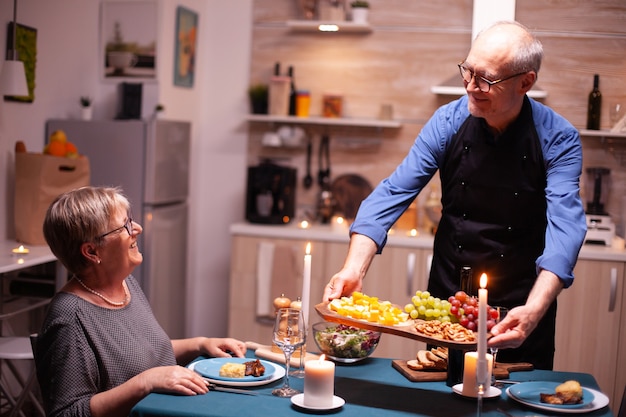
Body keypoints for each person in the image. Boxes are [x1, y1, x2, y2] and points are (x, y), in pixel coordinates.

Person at [322, 21, 587, 370]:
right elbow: (392, 193)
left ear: (526, 82)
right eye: (468, 70)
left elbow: (565, 229)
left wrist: (535, 309)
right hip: (446, 301)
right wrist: (353, 268)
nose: (470, 86)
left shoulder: (558, 139)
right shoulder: (447, 122)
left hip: (520, 306)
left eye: (486, 79)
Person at [36, 186, 247, 417]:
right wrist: (145, 382)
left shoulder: (125, 285)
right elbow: (67, 413)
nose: (137, 228)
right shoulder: (69, 318)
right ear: (92, 252)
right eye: (124, 226)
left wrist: (200, 343)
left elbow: (142, 352)